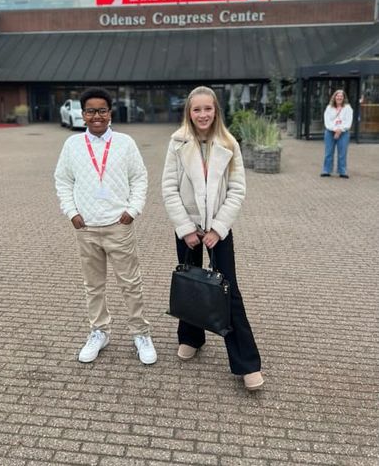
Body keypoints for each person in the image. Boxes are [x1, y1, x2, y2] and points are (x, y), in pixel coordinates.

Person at [161, 86, 263, 391]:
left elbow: (237, 190)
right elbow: (168, 188)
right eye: (197, 109)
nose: (203, 115)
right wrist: (186, 228)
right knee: (191, 285)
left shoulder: (229, 143)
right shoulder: (177, 142)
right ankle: (191, 337)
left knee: (228, 292)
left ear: (216, 110)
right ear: (188, 112)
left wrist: (218, 228)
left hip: (219, 232)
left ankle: (246, 363)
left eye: (208, 109)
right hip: (188, 231)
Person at [54, 87, 157, 365]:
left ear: (110, 113)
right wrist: (71, 212)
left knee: (130, 283)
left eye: (102, 110)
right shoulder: (72, 145)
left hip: (118, 226)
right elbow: (63, 180)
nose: (96, 116)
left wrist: (132, 210)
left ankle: (140, 333)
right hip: (86, 228)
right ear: (83, 114)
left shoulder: (125, 143)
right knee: (93, 286)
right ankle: (99, 331)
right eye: (90, 111)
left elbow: (140, 178)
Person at [321, 89, 353, 178]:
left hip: (343, 133)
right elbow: (327, 121)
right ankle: (326, 170)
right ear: (334, 97)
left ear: (344, 98)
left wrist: (340, 130)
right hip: (330, 132)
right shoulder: (329, 107)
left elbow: (348, 122)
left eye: (341, 96)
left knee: (342, 153)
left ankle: (342, 171)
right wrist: (335, 129)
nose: (339, 97)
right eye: (337, 96)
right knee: (328, 152)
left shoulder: (348, 108)